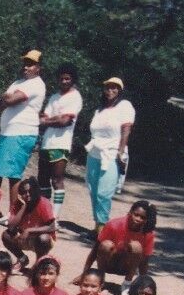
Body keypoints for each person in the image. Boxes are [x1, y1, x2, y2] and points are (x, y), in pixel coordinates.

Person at [0, 50, 46, 205]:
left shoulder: (36, 84)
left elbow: (11, 99)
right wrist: (7, 97)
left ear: (38, 67)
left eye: (31, 64)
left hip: (21, 133)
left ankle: (13, 213)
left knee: (13, 174)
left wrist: (8, 97)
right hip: (7, 132)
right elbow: (2, 99)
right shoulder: (18, 83)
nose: (26, 67)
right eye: (25, 63)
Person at [84, 77, 135, 233]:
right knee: (93, 190)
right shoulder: (99, 110)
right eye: (107, 87)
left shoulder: (124, 106)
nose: (110, 91)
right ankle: (97, 226)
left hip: (111, 155)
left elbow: (126, 130)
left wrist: (120, 152)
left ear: (120, 90)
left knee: (103, 193)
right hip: (94, 153)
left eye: (114, 88)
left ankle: (103, 229)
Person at [37, 64, 81, 207]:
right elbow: (44, 117)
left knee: (57, 180)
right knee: (42, 179)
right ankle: (45, 213)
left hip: (61, 144)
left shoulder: (75, 97)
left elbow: (65, 121)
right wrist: (51, 120)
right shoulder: (54, 97)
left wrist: (48, 121)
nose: (64, 81)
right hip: (46, 143)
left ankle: (55, 218)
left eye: (67, 79)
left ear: (73, 79)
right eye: (61, 78)